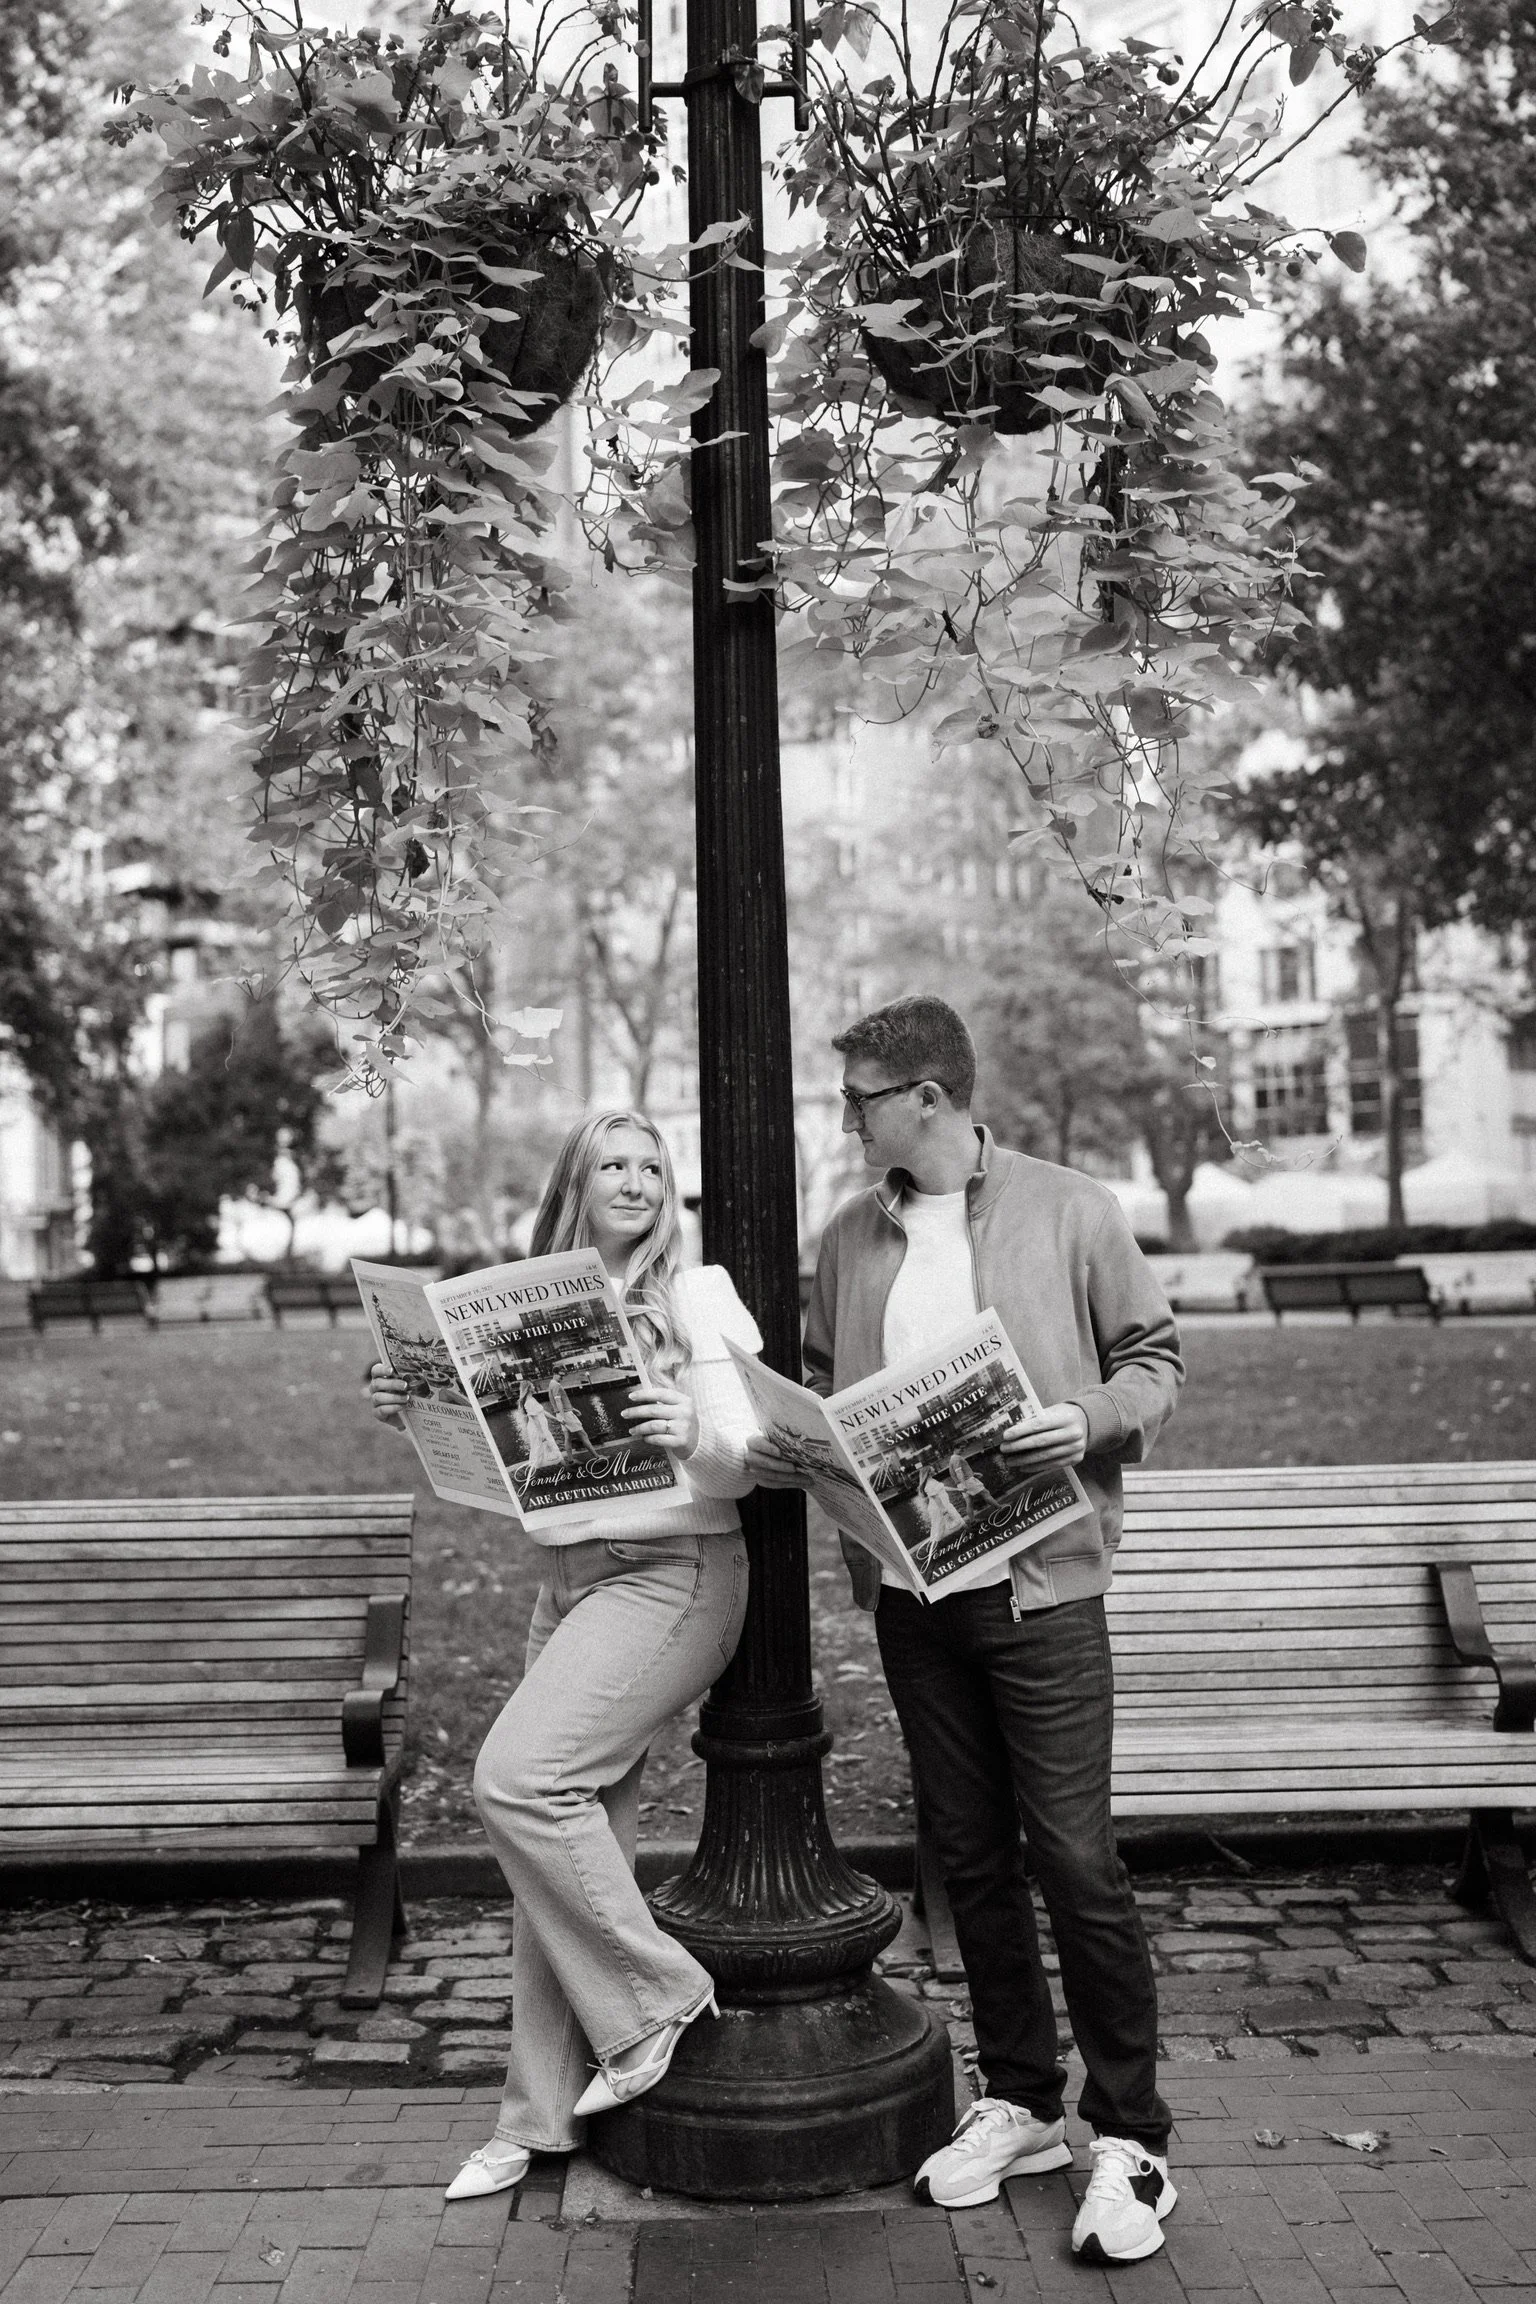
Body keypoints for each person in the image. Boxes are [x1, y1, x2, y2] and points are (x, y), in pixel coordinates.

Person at [746, 995, 1183, 2264]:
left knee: (1077, 1860)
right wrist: (805, 1436)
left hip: (1043, 1586)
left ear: (931, 1097)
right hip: (915, 1597)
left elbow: (1154, 1359)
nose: (848, 1118)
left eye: (863, 1098)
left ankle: (1135, 2137)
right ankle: (1024, 2101)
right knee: (970, 1858)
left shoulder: (1070, 1209)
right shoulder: (850, 1233)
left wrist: (1090, 1417)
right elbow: (826, 1386)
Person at [369, 1111, 760, 2201]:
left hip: (675, 1576)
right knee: (563, 1859)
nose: (633, 1180)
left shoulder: (699, 1294)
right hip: (571, 1582)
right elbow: (504, 1463)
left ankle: (657, 2001)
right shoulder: (529, 1300)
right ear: (577, 1185)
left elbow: (750, 1465)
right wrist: (414, 1399)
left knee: (519, 1784)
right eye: (611, 1164)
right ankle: (536, 2121)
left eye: (650, 1165)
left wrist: (689, 1426)